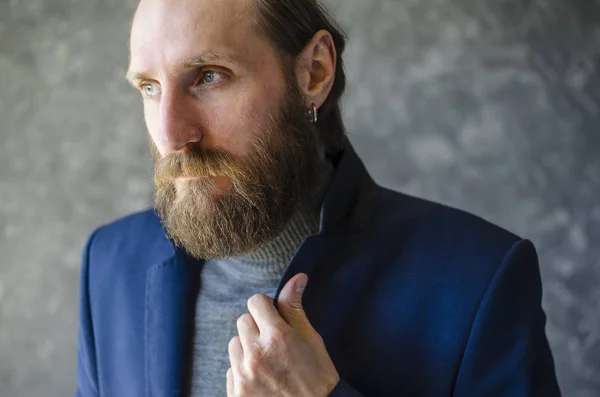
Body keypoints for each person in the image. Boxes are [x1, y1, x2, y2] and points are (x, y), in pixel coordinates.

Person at [75, 0, 562, 396]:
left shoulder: (479, 280)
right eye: (150, 87)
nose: (171, 134)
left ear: (314, 72)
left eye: (208, 75)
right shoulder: (110, 263)